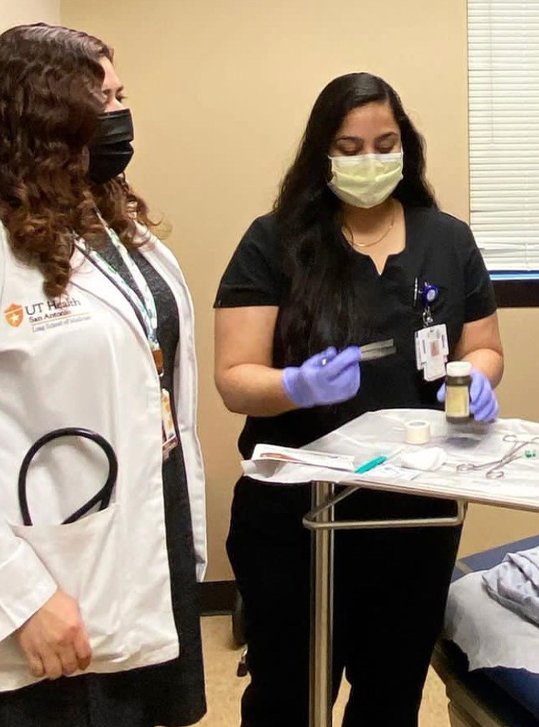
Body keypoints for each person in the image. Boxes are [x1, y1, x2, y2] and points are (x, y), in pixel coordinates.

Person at [0, 24, 207, 727]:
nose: (119, 116)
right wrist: (16, 596)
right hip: (30, 600)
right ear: (43, 111)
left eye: (121, 96)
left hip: (129, 558)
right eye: (101, 98)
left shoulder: (108, 228)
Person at [214, 72, 504, 727]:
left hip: (413, 515)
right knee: (287, 691)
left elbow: (485, 346)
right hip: (294, 515)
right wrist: (293, 385)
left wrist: (475, 375)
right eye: (348, 147)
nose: (368, 159)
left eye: (384, 142)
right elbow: (234, 376)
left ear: (406, 146)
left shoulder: (447, 240)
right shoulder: (273, 240)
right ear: (321, 153)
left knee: (391, 691)